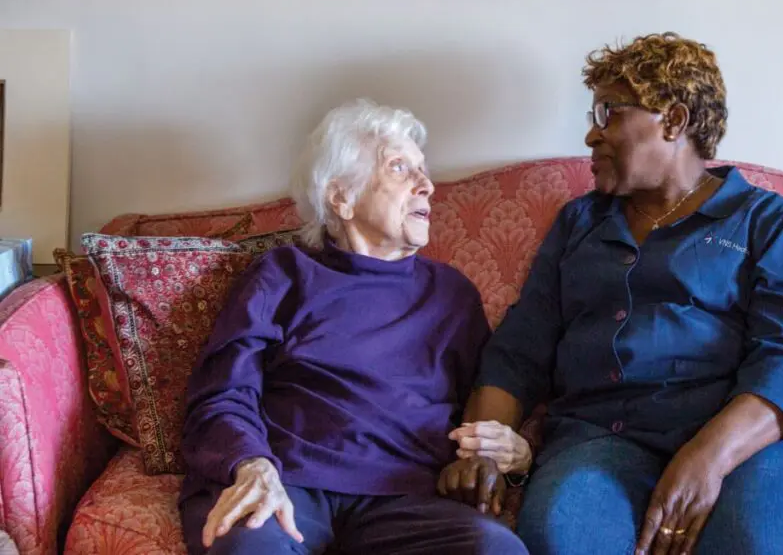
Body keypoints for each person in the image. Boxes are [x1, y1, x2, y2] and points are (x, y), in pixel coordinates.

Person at [439, 33, 783, 555]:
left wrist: (705, 458)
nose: (591, 134)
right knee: (561, 537)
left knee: (756, 545)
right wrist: (485, 449)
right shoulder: (580, 223)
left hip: (745, 443)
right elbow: (519, 351)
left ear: (673, 121)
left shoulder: (765, 221)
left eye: (609, 112)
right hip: (601, 439)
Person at [178, 99, 528, 555]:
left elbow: (483, 406)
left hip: (407, 499)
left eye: (424, 171)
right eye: (401, 168)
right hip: (287, 483)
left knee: (495, 551)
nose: (427, 186)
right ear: (340, 196)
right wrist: (250, 464)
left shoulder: (452, 295)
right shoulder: (283, 275)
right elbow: (223, 390)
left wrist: (513, 456)